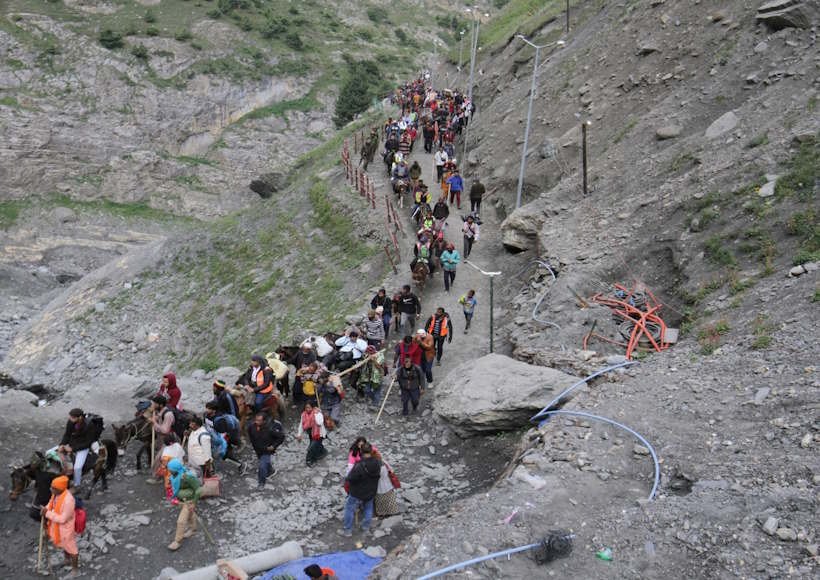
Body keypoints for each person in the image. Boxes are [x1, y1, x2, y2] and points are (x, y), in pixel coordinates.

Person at [338, 443, 381, 537]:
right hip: (371, 491)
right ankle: (365, 528)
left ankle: (347, 530)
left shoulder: (359, 465)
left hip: (357, 492)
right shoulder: (377, 462)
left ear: (361, 451)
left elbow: (350, 478)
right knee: (369, 509)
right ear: (371, 451)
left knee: (349, 508)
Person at [42, 475, 79, 576]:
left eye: (53, 488)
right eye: (51, 487)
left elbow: (63, 519)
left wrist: (47, 513)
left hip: (66, 528)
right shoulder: (56, 494)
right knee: (64, 545)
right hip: (57, 526)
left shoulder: (68, 500)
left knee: (71, 548)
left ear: (60, 489)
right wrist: (45, 509)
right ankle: (67, 560)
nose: (50, 489)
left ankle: (75, 569)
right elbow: (50, 504)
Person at [166, 458, 202, 551]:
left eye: (171, 469)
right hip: (182, 500)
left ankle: (177, 541)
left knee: (181, 521)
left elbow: (198, 490)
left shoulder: (187, 476)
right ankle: (193, 529)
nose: (169, 470)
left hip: (189, 500)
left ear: (175, 469)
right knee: (190, 515)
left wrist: (194, 502)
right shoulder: (174, 476)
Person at [58, 408, 97, 489]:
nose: (70, 419)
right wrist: (62, 444)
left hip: (83, 446)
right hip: (71, 443)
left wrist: (73, 449)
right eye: (70, 417)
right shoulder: (70, 422)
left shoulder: (89, 425)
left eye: (73, 417)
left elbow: (88, 442)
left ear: (79, 417)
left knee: (77, 467)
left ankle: (77, 485)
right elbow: (67, 435)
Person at [204, 402, 245, 475]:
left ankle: (240, 464)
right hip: (212, 437)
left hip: (221, 439)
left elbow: (223, 432)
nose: (206, 410)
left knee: (225, 455)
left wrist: (221, 441)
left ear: (214, 410)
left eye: (209, 408)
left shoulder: (219, 420)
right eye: (207, 408)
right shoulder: (206, 415)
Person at [248, 412, 285, 489]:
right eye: (256, 420)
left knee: (262, 466)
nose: (256, 422)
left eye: (259, 421)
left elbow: (281, 437)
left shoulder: (270, 429)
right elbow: (251, 436)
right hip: (257, 449)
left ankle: (261, 483)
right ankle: (271, 470)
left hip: (266, 450)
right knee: (264, 463)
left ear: (264, 421)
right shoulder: (252, 427)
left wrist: (273, 446)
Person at [296, 402, 327, 467]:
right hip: (310, 433)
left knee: (311, 448)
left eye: (309, 407)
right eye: (306, 407)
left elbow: (319, 423)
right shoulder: (303, 415)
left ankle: (309, 460)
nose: (307, 409)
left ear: (312, 407)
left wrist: (316, 414)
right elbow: (301, 425)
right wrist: (299, 434)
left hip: (318, 434)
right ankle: (322, 451)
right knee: (316, 445)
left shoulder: (318, 413)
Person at [156, 434, 185, 501]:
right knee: (179, 483)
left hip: (169, 471)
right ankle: (180, 495)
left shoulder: (165, 450)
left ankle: (171, 497)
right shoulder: (178, 446)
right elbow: (183, 455)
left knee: (169, 484)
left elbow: (163, 461)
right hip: (179, 468)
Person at [186, 415, 212, 479]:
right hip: (193, 462)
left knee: (201, 480)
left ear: (197, 425)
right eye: (190, 423)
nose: (190, 425)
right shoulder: (193, 431)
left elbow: (207, 453)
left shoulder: (204, 436)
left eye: (192, 424)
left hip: (201, 464)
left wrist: (208, 468)